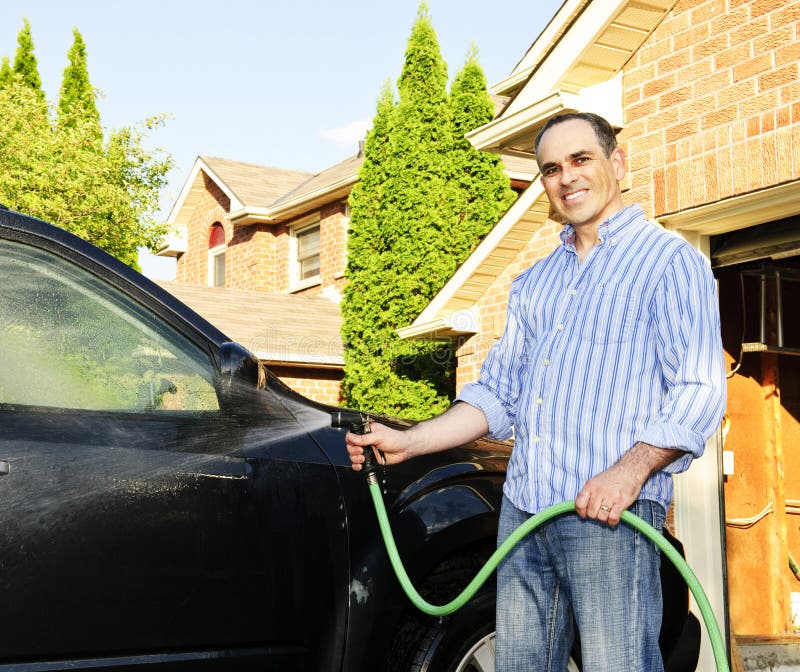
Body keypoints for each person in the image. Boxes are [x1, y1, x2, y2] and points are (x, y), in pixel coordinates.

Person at [346, 112, 726, 671]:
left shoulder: (669, 263)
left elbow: (698, 390)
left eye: (581, 159)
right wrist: (413, 440)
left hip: (610, 517)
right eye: (551, 168)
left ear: (616, 163)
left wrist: (628, 473)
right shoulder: (535, 282)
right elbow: (498, 393)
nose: (566, 177)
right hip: (524, 514)